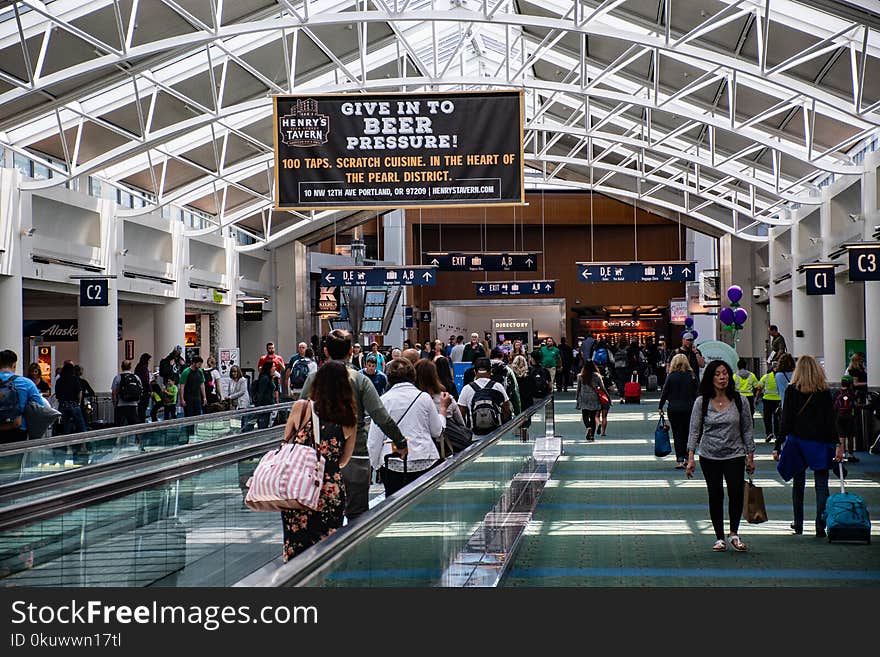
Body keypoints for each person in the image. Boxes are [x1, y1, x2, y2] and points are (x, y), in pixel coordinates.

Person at [299, 330, 408, 521]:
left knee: (323, 517)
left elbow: (300, 415)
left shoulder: (313, 379)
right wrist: (400, 441)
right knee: (357, 518)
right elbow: (380, 416)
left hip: (320, 459)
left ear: (326, 351)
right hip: (355, 456)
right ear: (351, 351)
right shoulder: (360, 380)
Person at [280, 361, 356, 562]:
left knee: (297, 545)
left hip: (297, 487)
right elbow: (345, 459)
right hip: (329, 487)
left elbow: (285, 442)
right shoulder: (349, 416)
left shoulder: (301, 408)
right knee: (328, 548)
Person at [686, 359, 755, 552]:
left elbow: (747, 429)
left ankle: (734, 533)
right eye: (717, 374)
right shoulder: (702, 402)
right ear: (710, 378)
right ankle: (719, 537)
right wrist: (691, 457)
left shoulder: (740, 401)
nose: (722, 377)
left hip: (735, 453)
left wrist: (750, 456)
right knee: (715, 494)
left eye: (724, 373)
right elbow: (694, 430)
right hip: (709, 455)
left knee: (736, 492)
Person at [773, 355, 842, 538]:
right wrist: (837, 443)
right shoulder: (824, 391)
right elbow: (830, 421)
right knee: (821, 485)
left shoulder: (791, 390)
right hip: (820, 442)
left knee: (798, 484)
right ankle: (821, 525)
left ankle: (798, 523)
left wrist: (778, 443)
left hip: (797, 442)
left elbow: (786, 420)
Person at [369, 358, 448, 496]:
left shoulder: (383, 401)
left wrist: (376, 464)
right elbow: (436, 431)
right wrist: (442, 412)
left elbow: (374, 439)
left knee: (394, 507)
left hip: (392, 462)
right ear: (413, 376)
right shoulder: (424, 398)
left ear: (389, 378)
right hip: (424, 459)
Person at [1, 350, 50, 482]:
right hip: (17, 430)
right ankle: (10, 497)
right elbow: (42, 407)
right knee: (13, 470)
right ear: (14, 365)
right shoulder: (25, 383)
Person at [414, 358, 465, 452]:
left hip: (419, 449)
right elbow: (461, 423)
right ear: (435, 376)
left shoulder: (413, 400)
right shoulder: (447, 398)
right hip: (446, 447)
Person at [659, 354, 698, 468]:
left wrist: (660, 406)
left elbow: (665, 392)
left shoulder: (671, 376)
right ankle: (687, 457)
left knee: (677, 434)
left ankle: (680, 460)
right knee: (688, 433)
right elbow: (697, 391)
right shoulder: (691, 376)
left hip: (674, 409)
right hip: (689, 408)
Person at [458, 357, 511, 435]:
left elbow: (461, 414)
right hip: (495, 435)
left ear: (475, 372)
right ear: (491, 371)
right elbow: (507, 410)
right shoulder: (498, 386)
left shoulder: (466, 389)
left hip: (474, 435)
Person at [575, 361, 608, 442]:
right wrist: (608, 397)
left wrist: (577, 398)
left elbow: (578, 389)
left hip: (584, 397)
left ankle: (588, 427)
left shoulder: (580, 376)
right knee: (593, 417)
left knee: (585, 415)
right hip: (594, 397)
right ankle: (592, 436)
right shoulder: (597, 376)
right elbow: (602, 387)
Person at [54, 362, 87, 435]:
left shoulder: (59, 380)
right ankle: (83, 444)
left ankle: (67, 445)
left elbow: (57, 394)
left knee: (66, 426)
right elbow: (79, 392)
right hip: (73, 404)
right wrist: (78, 403)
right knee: (81, 425)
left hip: (63, 405)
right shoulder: (74, 379)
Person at [834, 375, 859, 463]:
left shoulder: (837, 392)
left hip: (839, 417)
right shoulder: (852, 393)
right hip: (850, 417)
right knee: (850, 436)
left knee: (841, 437)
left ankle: (842, 454)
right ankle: (851, 455)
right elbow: (855, 405)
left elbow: (834, 406)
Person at [111, 360, 142, 427]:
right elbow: (140, 390)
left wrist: (115, 404)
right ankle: (137, 437)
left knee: (119, 426)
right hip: (133, 405)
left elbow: (114, 392)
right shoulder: (136, 377)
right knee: (134, 426)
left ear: (121, 367)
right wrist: (137, 401)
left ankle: (118, 437)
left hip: (121, 405)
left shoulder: (118, 377)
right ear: (130, 367)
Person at [252, 360, 278, 429]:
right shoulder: (265, 378)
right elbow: (261, 392)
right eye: (273, 366)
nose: (274, 368)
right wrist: (259, 406)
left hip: (269, 404)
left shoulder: (269, 377)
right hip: (264, 405)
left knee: (267, 424)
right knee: (263, 424)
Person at [134, 353, 152, 423]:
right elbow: (146, 380)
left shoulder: (138, 367)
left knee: (140, 409)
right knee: (143, 409)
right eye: (149, 360)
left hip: (139, 390)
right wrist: (150, 389)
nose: (149, 362)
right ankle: (142, 423)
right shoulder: (144, 368)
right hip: (144, 391)